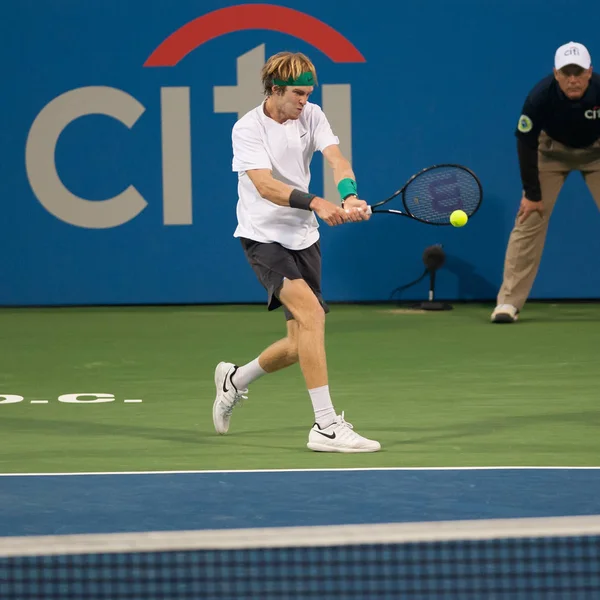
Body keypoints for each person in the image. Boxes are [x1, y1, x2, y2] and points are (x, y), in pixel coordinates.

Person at [212, 51, 381, 453]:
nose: (304, 101)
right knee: (312, 315)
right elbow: (265, 187)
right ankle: (324, 426)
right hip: (262, 235)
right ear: (275, 90)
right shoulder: (247, 129)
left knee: (298, 342)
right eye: (298, 94)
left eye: (308, 94)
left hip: (303, 237)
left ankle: (234, 379)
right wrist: (319, 204)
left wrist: (349, 195)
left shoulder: (312, 116)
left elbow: (337, 160)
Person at [492, 41, 600, 323]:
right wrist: (532, 193)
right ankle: (507, 303)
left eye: (578, 72)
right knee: (529, 218)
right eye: (566, 73)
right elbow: (526, 142)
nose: (573, 79)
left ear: (590, 72)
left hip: (598, 153)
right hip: (552, 153)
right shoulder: (540, 96)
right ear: (556, 74)